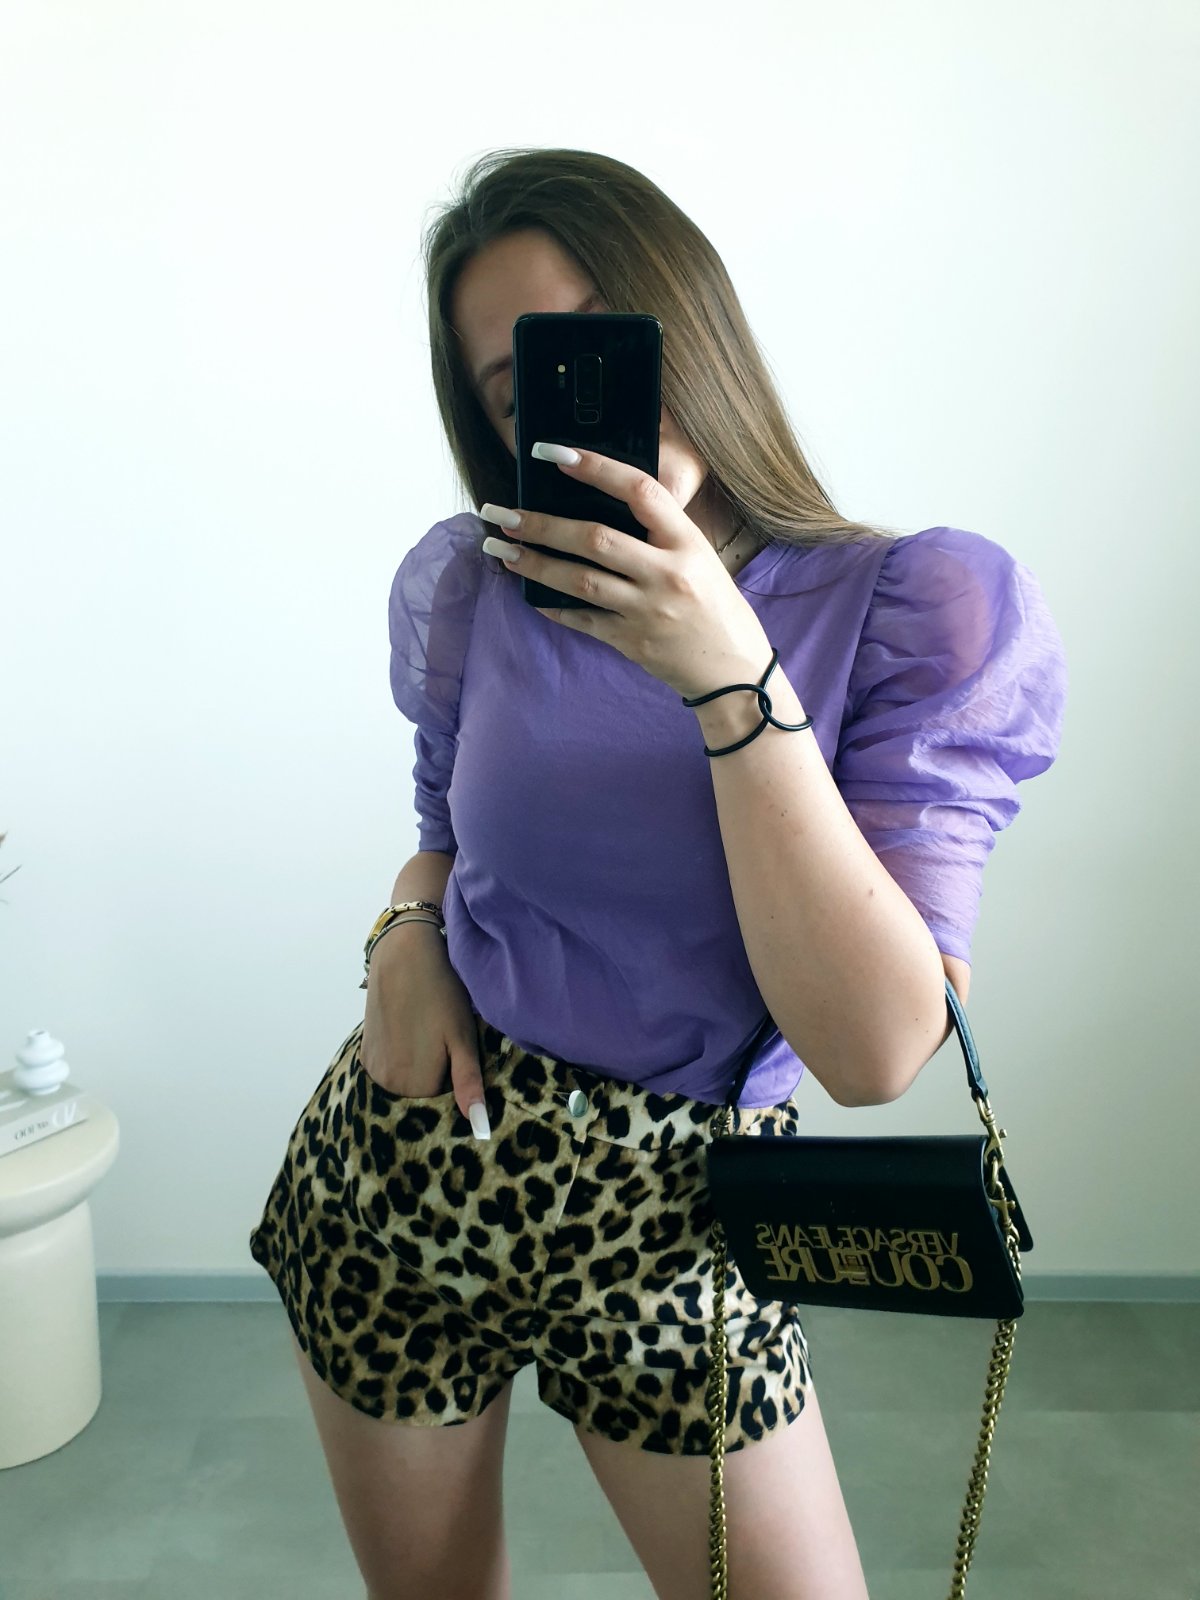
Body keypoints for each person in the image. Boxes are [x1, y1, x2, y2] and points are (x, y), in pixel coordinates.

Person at [249, 147, 1068, 1600]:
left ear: (696, 320)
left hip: (680, 1226)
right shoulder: (477, 586)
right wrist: (403, 934)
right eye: (522, 389)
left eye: (604, 343)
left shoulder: (914, 607)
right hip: (411, 1167)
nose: (579, 404)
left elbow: (876, 1051)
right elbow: (442, 833)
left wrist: (729, 676)